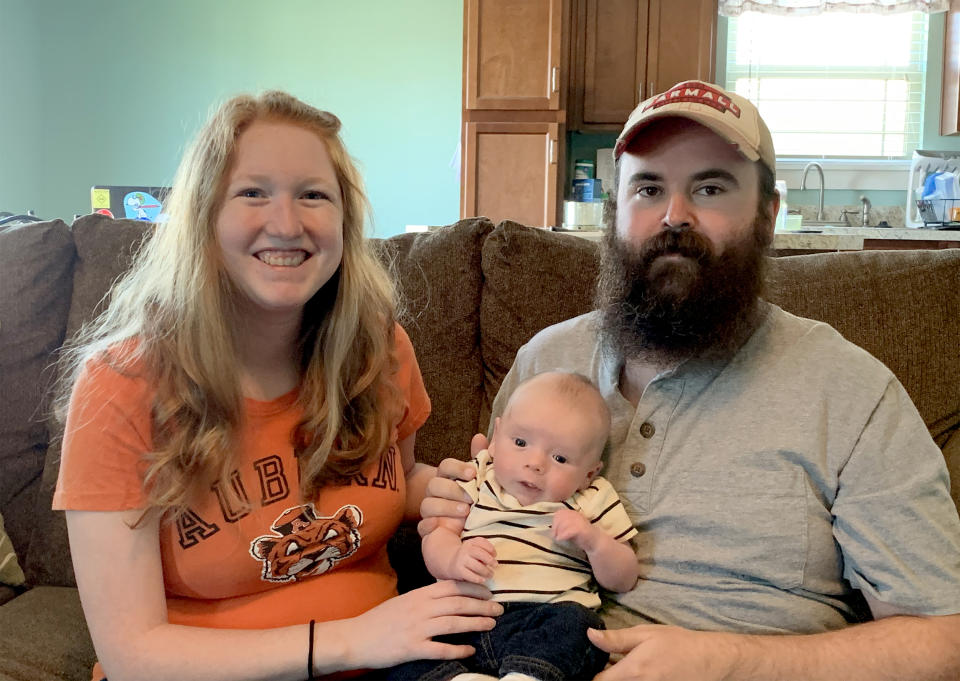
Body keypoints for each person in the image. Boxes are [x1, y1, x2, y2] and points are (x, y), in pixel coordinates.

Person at [419, 80, 960, 681]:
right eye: (649, 188)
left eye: (710, 187)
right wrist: (450, 512)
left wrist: (731, 662)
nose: (675, 215)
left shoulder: (850, 389)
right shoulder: (548, 357)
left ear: (768, 214)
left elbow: (943, 640)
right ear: (615, 213)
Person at [52, 90, 502, 681]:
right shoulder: (121, 383)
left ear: (345, 219)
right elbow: (132, 655)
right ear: (203, 216)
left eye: (314, 195)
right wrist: (353, 641)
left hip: (394, 665)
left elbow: (388, 478)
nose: (286, 224)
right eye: (253, 192)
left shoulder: (379, 348)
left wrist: (440, 492)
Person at [391, 371, 639, 681]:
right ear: (495, 438)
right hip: (467, 616)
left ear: (589, 473)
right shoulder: (478, 476)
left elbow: (624, 578)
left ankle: (527, 676)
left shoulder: (591, 499)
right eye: (520, 442)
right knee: (405, 644)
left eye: (560, 457)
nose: (535, 463)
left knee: (579, 625)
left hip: (544, 618)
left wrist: (593, 541)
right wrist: (454, 557)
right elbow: (437, 535)